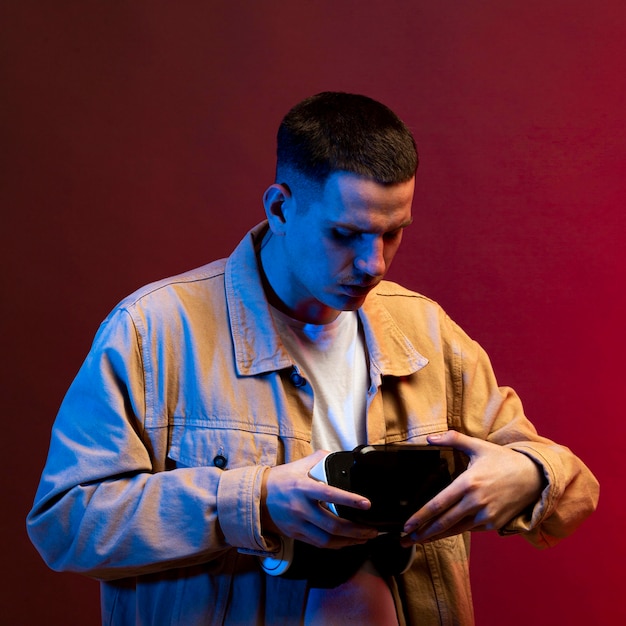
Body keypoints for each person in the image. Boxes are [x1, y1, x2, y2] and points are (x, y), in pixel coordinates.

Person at [27, 92, 599, 625]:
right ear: (279, 208)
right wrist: (254, 502)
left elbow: (575, 489)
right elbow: (65, 525)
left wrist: (526, 474)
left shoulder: (427, 332)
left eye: (393, 233)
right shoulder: (154, 332)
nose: (374, 263)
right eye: (345, 234)